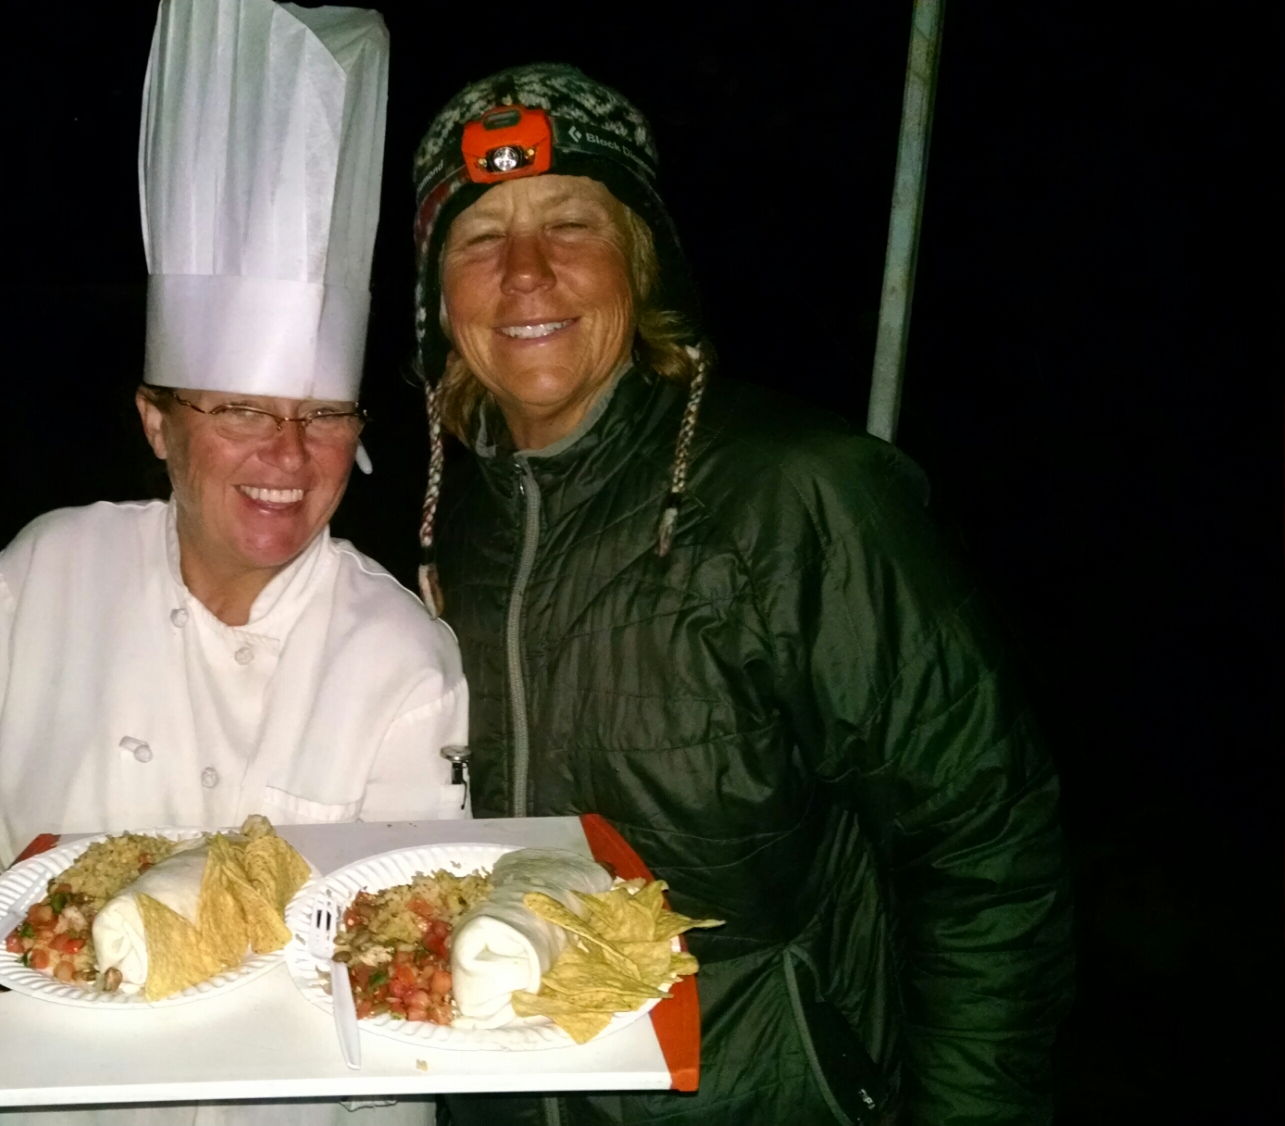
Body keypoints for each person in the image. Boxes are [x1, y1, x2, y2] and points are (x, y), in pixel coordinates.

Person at [407, 65, 1072, 1125]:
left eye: (570, 223)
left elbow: (982, 845)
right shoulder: (448, 524)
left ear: (639, 260)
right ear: (438, 301)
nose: (525, 272)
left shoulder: (799, 494)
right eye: (480, 238)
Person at [0, 4, 464, 1124]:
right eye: (240, 410)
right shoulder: (46, 573)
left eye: (323, 416)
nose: (287, 455)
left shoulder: (401, 656)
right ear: (156, 422)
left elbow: (409, 961)